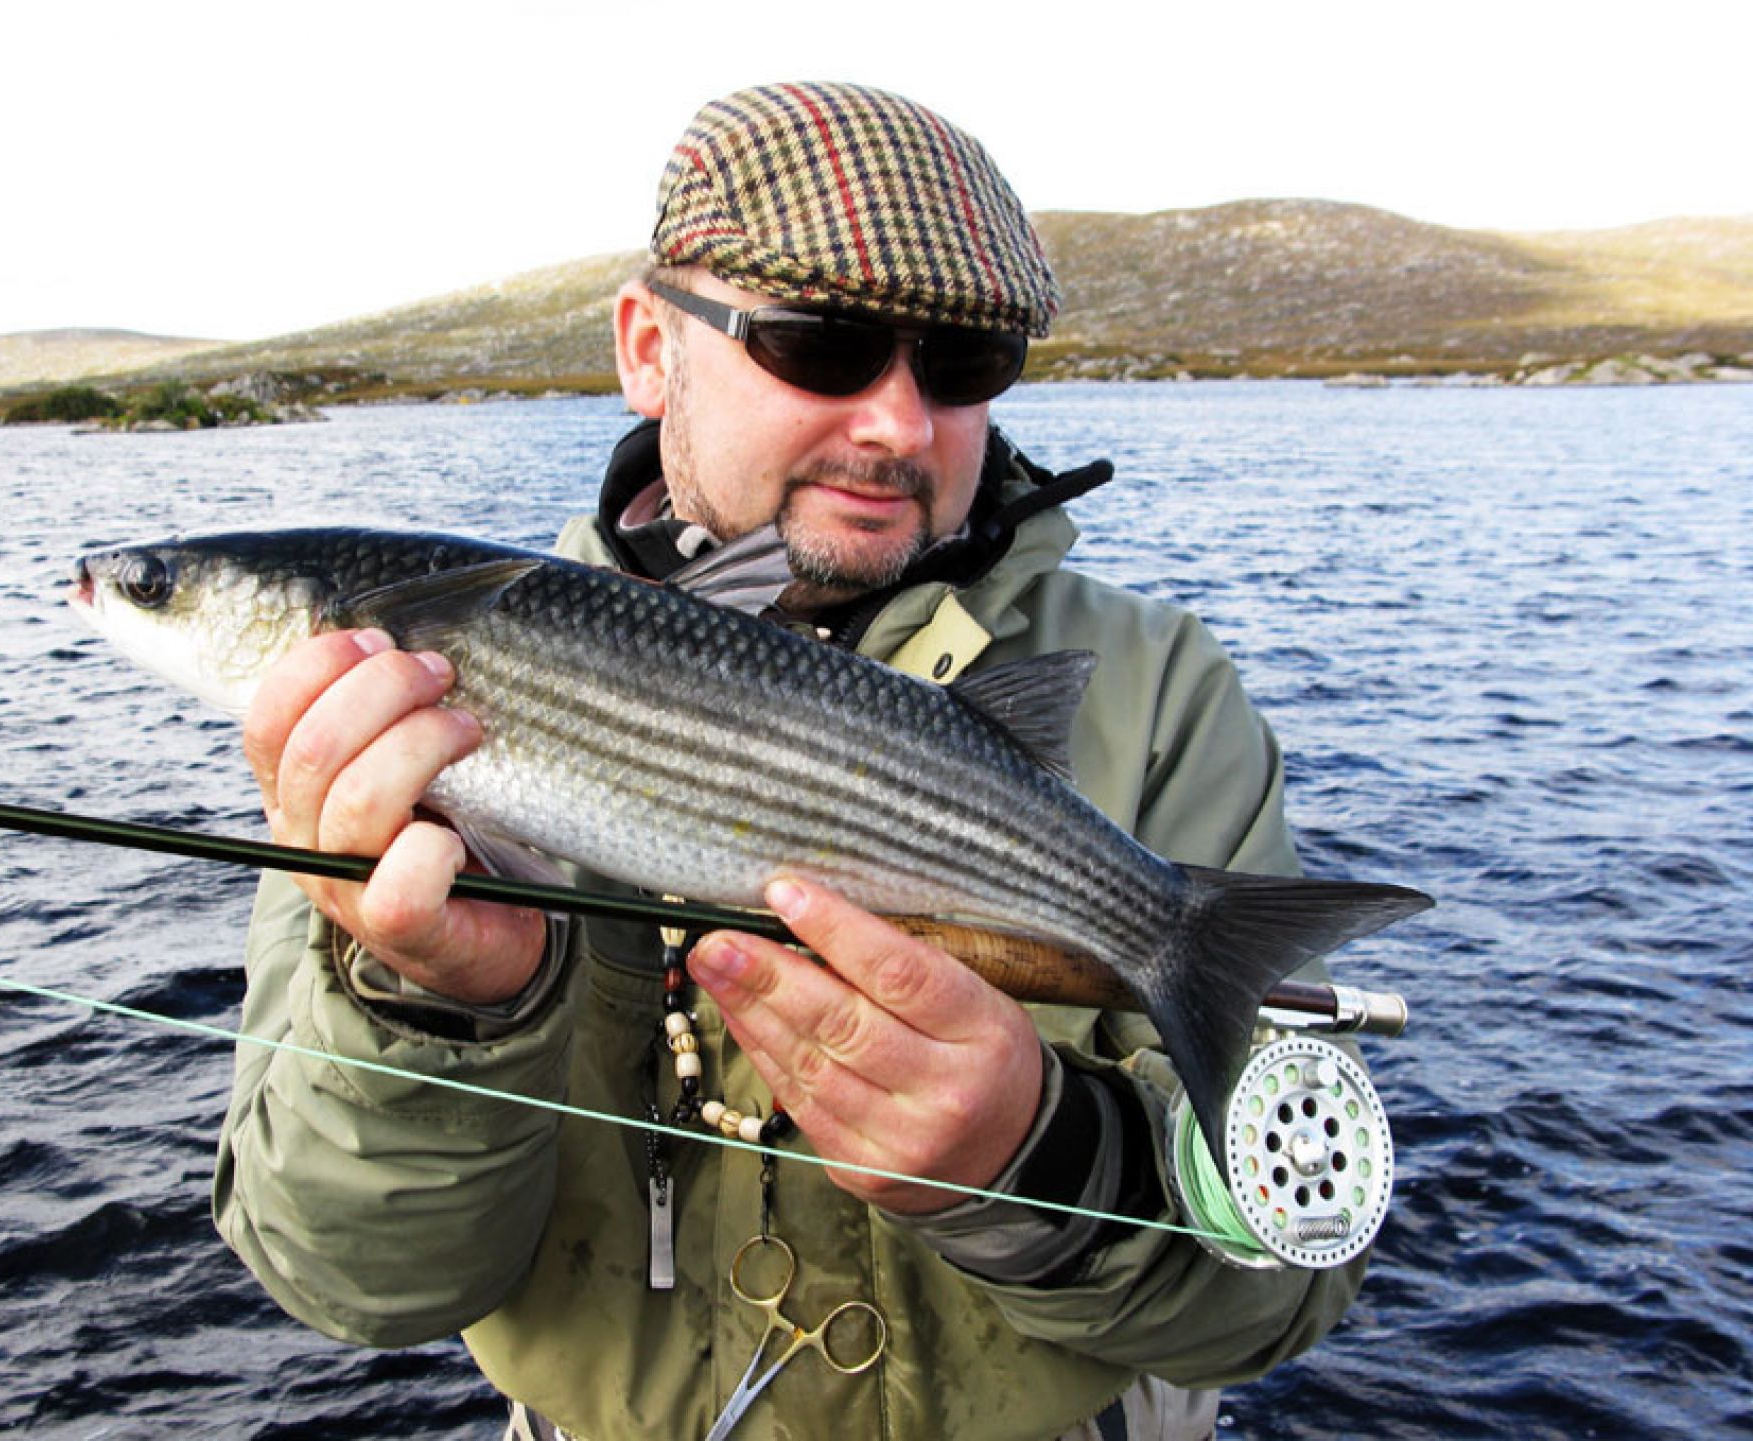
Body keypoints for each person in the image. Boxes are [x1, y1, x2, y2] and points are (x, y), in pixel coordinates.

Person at [213, 81, 1367, 1441]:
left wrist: (1037, 1156)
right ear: (649, 347)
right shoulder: (393, 714)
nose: (896, 424)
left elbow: (1292, 1281)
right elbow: (346, 1281)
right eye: (821, 344)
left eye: (962, 364)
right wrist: (431, 1009)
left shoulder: (1160, 687)